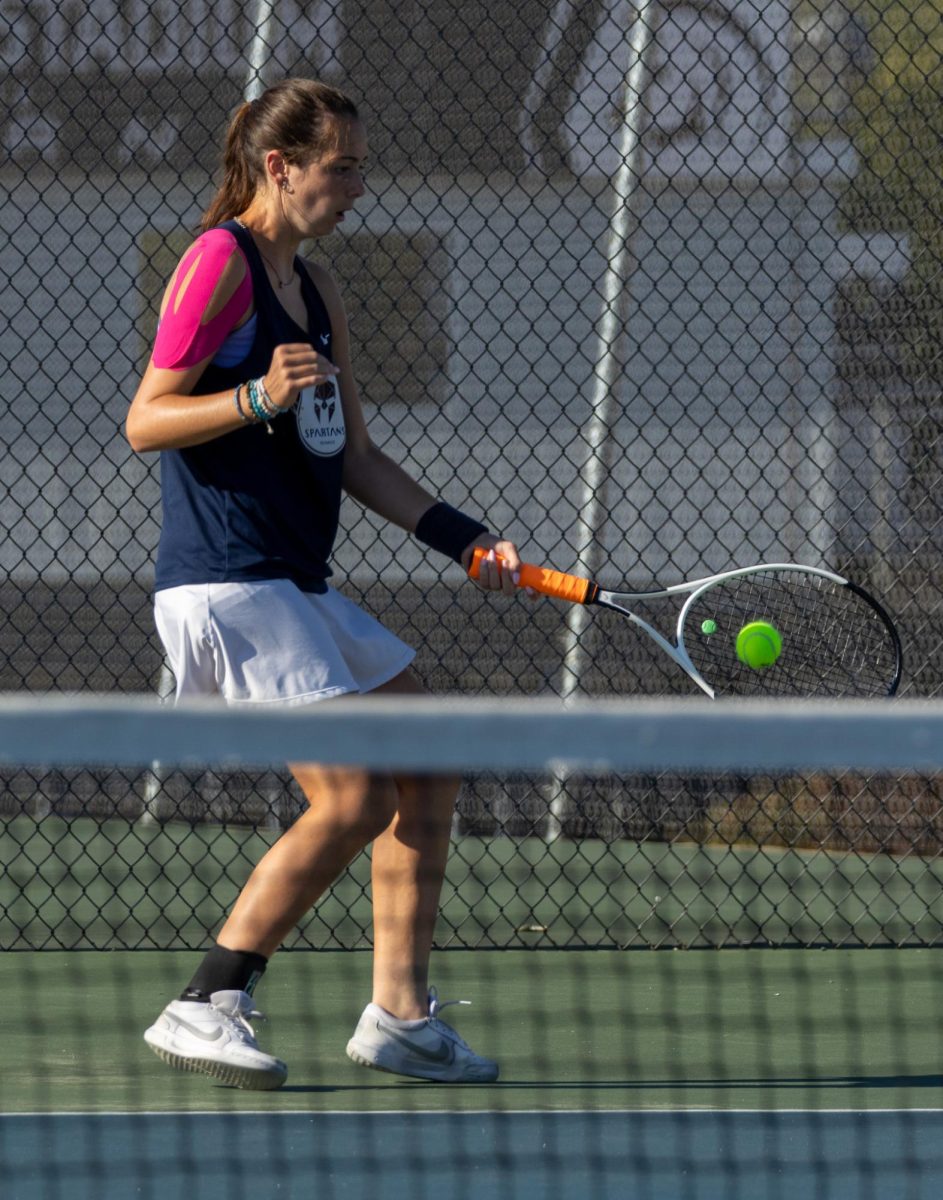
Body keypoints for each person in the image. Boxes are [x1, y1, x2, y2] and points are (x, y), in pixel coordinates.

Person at [126, 77, 521, 1091]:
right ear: (279, 166)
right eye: (338, 165)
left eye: (358, 165)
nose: (355, 185)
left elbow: (354, 457)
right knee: (348, 794)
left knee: (425, 756)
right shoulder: (216, 264)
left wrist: (465, 540)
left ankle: (398, 1012)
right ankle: (208, 998)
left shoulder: (317, 290)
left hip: (295, 584)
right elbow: (146, 419)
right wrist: (255, 394)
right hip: (226, 585)